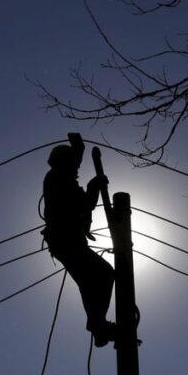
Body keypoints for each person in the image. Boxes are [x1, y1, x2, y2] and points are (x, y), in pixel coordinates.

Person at [42, 133, 117, 347]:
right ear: (64, 163)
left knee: (89, 283)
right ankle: (97, 324)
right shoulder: (58, 179)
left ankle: (98, 328)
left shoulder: (59, 177)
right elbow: (82, 204)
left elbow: (81, 202)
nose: (77, 170)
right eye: (73, 166)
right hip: (66, 242)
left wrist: (79, 147)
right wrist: (95, 185)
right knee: (104, 274)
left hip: (65, 243)